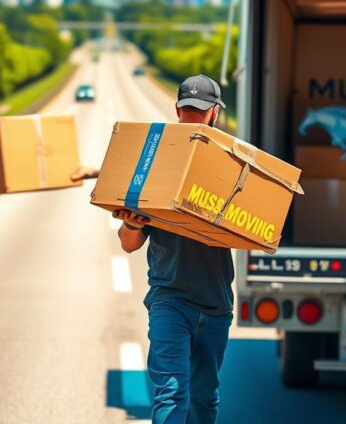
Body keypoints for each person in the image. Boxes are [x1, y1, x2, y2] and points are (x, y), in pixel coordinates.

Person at [71, 74, 233, 424]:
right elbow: (129, 245)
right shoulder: (155, 164)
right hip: (169, 300)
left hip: (216, 305)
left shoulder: (231, 166)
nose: (193, 116)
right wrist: (131, 222)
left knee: (204, 402)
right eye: (188, 109)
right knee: (172, 394)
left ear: (214, 114)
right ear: (177, 110)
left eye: (200, 111)